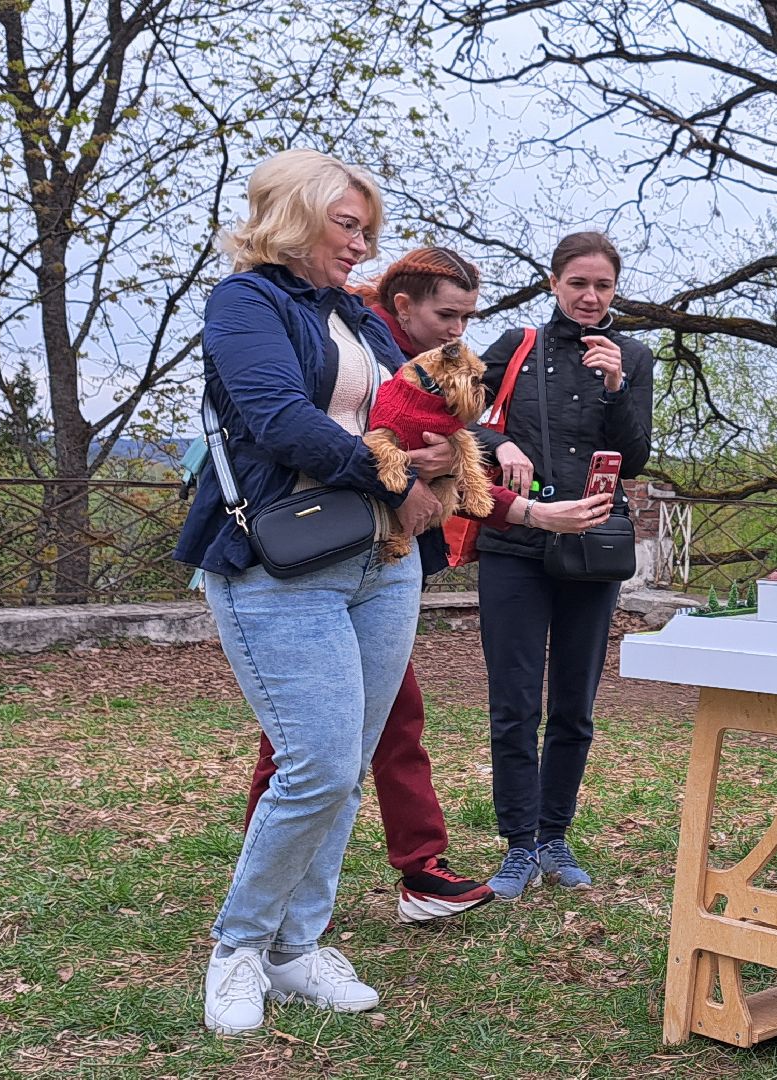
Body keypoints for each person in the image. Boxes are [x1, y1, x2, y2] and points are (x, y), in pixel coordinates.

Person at [239, 246, 616, 924]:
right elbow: (316, 436)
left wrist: (489, 459)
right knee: (303, 742)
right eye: (448, 315)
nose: (457, 332)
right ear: (402, 306)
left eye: (468, 317)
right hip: (310, 560)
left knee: (389, 720)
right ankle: (270, 884)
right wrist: (415, 473)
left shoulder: (418, 367)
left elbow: (458, 463)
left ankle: (416, 870)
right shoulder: (352, 352)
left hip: (381, 565)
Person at [175, 150, 443, 1034]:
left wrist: (437, 452)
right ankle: (239, 948)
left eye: (368, 226)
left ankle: (297, 946)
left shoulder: (358, 319)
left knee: (345, 771)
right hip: (277, 564)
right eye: (347, 224)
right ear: (293, 214)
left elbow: (400, 415)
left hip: (381, 564)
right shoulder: (243, 302)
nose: (363, 242)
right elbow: (276, 419)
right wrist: (399, 481)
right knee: (316, 763)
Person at [471, 231, 654, 899]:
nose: (589, 296)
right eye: (578, 282)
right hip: (515, 546)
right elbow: (458, 417)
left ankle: (555, 834)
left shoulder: (631, 355)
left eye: (602, 285)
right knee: (513, 704)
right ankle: (518, 844)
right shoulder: (517, 346)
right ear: (554, 283)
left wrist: (616, 385)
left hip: (590, 547)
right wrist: (503, 441)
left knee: (574, 705)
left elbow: (633, 457)